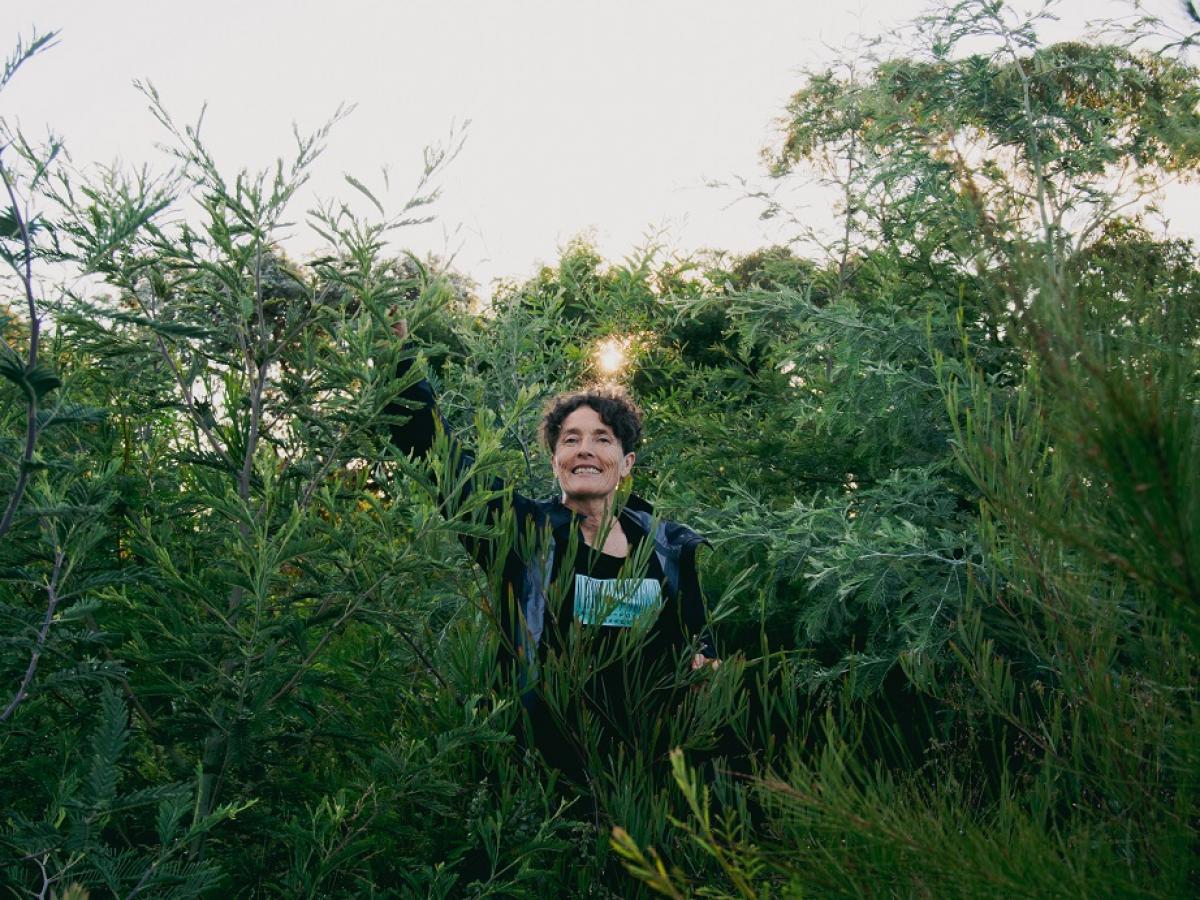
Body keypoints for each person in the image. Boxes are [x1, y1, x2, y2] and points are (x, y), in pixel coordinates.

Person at [385, 318, 719, 782]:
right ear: (556, 461)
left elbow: (699, 643)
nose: (585, 450)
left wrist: (705, 664)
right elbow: (437, 453)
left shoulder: (666, 547)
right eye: (570, 440)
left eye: (602, 439)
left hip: (647, 779)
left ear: (625, 464)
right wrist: (397, 358)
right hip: (542, 784)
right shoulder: (522, 533)